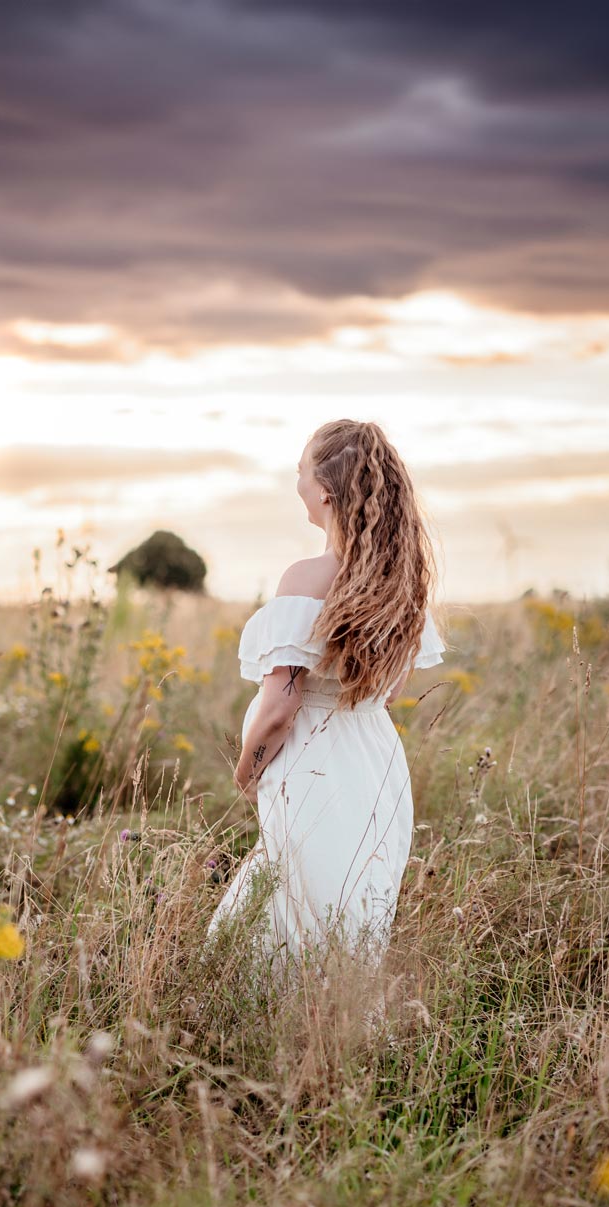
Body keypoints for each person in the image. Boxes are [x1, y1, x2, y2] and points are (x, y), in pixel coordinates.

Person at [205, 418, 447, 993]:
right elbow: (389, 692)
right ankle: (334, 1038)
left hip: (313, 764)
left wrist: (247, 771)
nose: (296, 480)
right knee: (350, 909)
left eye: (300, 469)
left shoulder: (306, 577)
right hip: (375, 763)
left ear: (326, 490)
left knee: (289, 909)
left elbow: (279, 708)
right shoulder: (401, 584)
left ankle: (269, 1042)